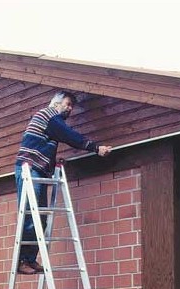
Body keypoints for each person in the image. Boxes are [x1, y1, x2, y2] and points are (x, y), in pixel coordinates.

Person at [14, 91, 112, 274]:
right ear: (56, 103)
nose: (70, 109)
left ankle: (30, 259)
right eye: (67, 104)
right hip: (29, 168)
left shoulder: (50, 122)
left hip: (37, 169)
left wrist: (53, 163)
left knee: (40, 217)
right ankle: (22, 260)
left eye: (71, 106)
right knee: (32, 216)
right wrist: (96, 148)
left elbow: (42, 144)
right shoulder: (49, 115)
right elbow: (69, 135)